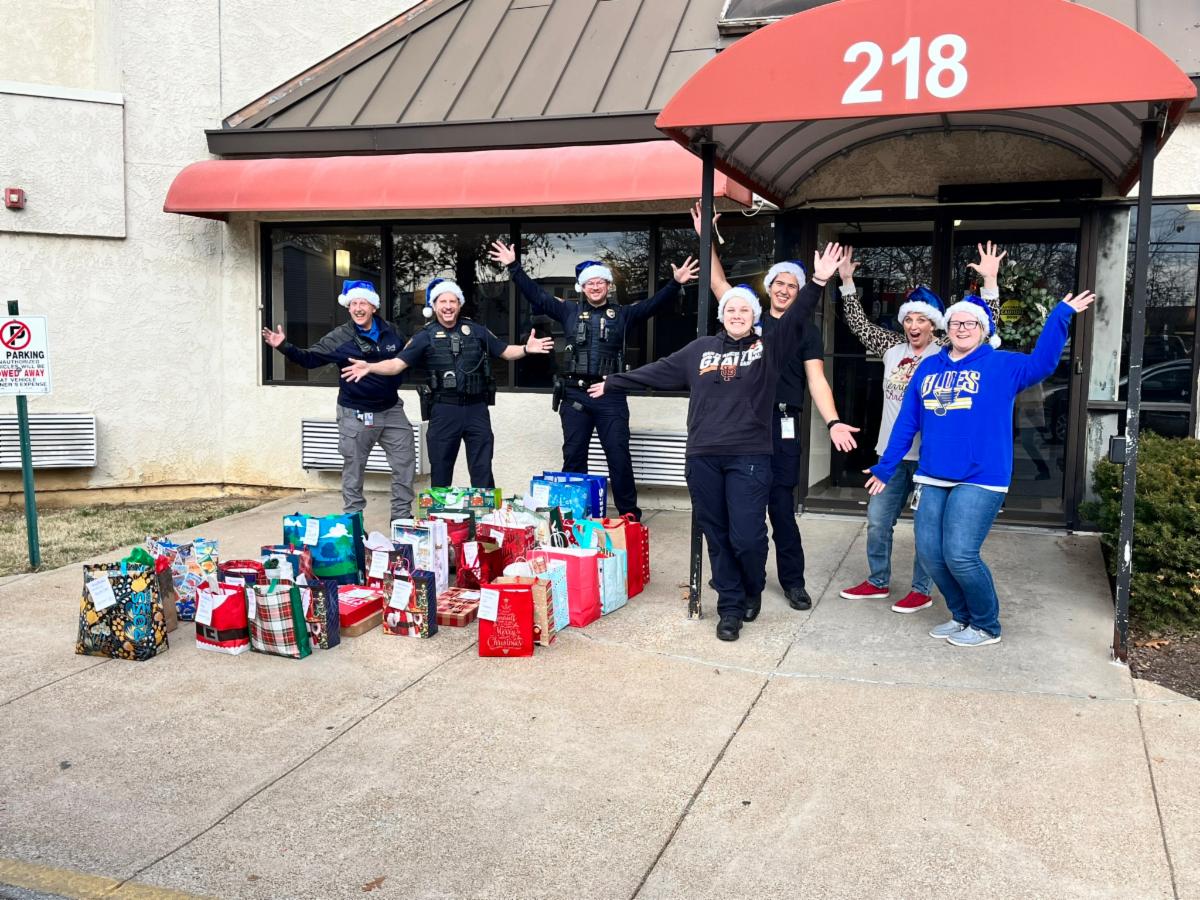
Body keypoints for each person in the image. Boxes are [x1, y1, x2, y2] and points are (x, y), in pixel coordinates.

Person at [590, 244, 847, 642]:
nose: (737, 314)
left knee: (747, 536)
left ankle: (751, 587)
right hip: (704, 456)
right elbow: (658, 371)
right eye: (730, 309)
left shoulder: (768, 349)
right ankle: (730, 607)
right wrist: (613, 382)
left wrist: (817, 281)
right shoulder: (700, 350)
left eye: (744, 310)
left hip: (750, 456)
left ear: (754, 316)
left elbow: (796, 320)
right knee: (717, 533)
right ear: (722, 315)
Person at [865, 287, 1096, 647]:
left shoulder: (1002, 365)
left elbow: (1043, 363)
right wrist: (886, 466)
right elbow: (907, 422)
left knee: (959, 554)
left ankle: (986, 625)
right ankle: (961, 617)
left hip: (981, 477)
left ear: (983, 329)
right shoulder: (929, 367)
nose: (962, 328)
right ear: (947, 328)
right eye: (956, 323)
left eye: (970, 323)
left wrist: (1060, 316)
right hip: (932, 475)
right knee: (930, 553)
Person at [690, 202, 858, 614]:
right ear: (768, 287)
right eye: (779, 283)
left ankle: (793, 582)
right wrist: (706, 236)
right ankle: (742, 583)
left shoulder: (805, 331)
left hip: (781, 427)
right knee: (735, 516)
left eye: (792, 286)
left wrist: (833, 421)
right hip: (741, 429)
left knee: (781, 511)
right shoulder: (748, 319)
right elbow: (718, 283)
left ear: (800, 293)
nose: (784, 290)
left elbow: (817, 380)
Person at [837, 243, 1005, 613]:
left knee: (924, 530)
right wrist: (847, 281)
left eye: (922, 320)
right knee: (878, 521)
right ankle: (877, 581)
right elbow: (858, 324)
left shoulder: (945, 351)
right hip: (890, 455)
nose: (914, 326)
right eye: (909, 319)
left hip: (931, 459)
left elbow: (982, 323)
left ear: (934, 324)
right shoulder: (891, 348)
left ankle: (921, 589)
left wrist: (990, 283)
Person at [488, 240, 700, 520]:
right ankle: (574, 516)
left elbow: (653, 305)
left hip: (610, 394)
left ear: (608, 285)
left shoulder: (623, 315)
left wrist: (675, 283)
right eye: (590, 283)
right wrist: (514, 267)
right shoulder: (568, 311)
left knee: (619, 457)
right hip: (575, 396)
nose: (595, 287)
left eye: (600, 282)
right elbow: (536, 295)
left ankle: (629, 517)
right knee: (574, 456)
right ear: (582, 287)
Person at [341, 276, 553, 488]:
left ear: (459, 304)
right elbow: (396, 365)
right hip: (443, 410)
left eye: (453, 301)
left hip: (477, 409)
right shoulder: (424, 336)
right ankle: (441, 510)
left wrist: (526, 349)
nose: (448, 306)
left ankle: (484, 509)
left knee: (482, 469)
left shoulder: (477, 330)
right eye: (443, 301)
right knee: (441, 470)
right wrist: (370, 367)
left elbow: (505, 351)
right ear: (433, 306)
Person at [262, 279, 415, 522]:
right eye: (353, 304)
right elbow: (310, 359)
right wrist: (285, 347)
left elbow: (407, 356)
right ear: (348, 307)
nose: (358, 308)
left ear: (373, 307)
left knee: (405, 463)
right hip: (356, 413)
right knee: (354, 470)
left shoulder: (391, 331)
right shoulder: (340, 337)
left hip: (391, 409)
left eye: (363, 303)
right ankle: (354, 525)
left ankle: (401, 520)